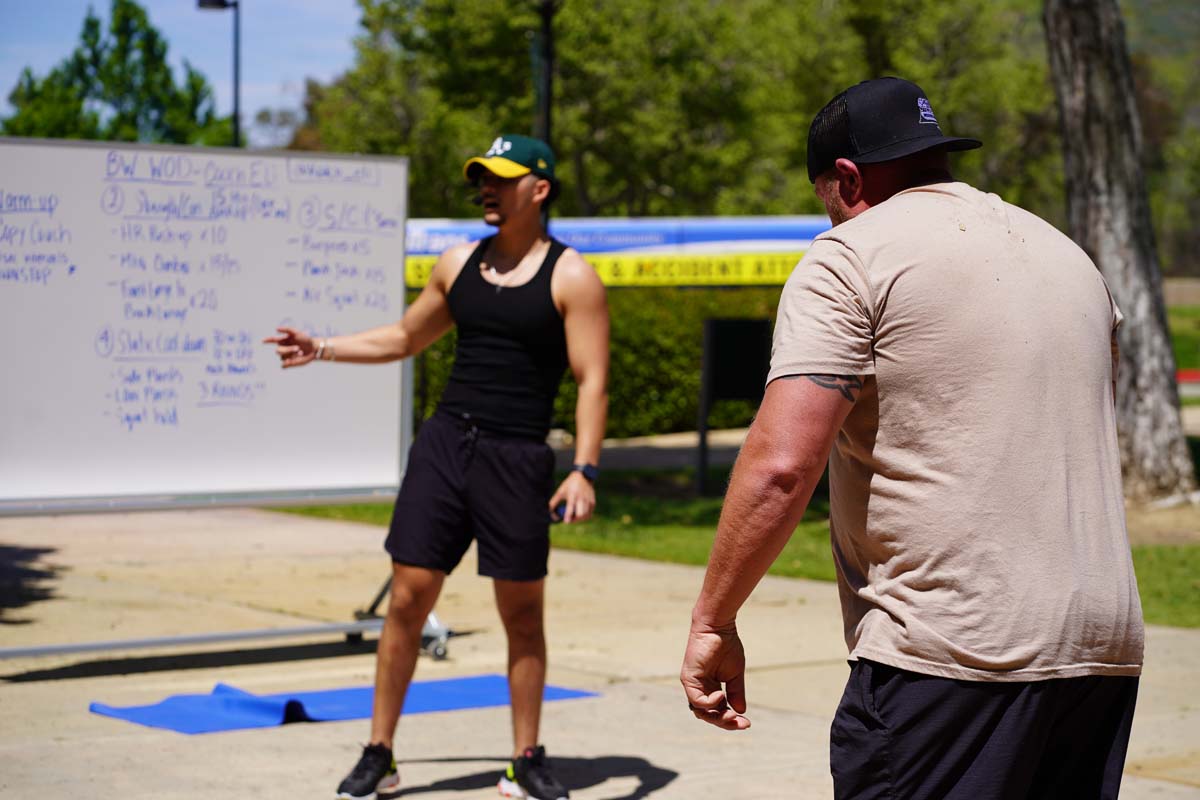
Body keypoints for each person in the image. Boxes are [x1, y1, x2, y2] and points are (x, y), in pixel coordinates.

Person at [680, 77, 1143, 798]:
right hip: (1101, 650)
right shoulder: (1068, 257)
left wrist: (713, 620)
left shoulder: (850, 257)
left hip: (950, 652)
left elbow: (781, 468)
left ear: (847, 179)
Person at [267, 134, 609, 800]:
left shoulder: (572, 276)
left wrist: (585, 470)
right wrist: (322, 347)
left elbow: (592, 379)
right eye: (481, 178)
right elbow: (403, 337)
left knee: (521, 613)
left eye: (501, 179)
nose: (486, 188)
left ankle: (526, 759)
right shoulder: (457, 264)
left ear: (539, 189)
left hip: (517, 454)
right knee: (407, 597)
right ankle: (380, 752)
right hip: (446, 445)